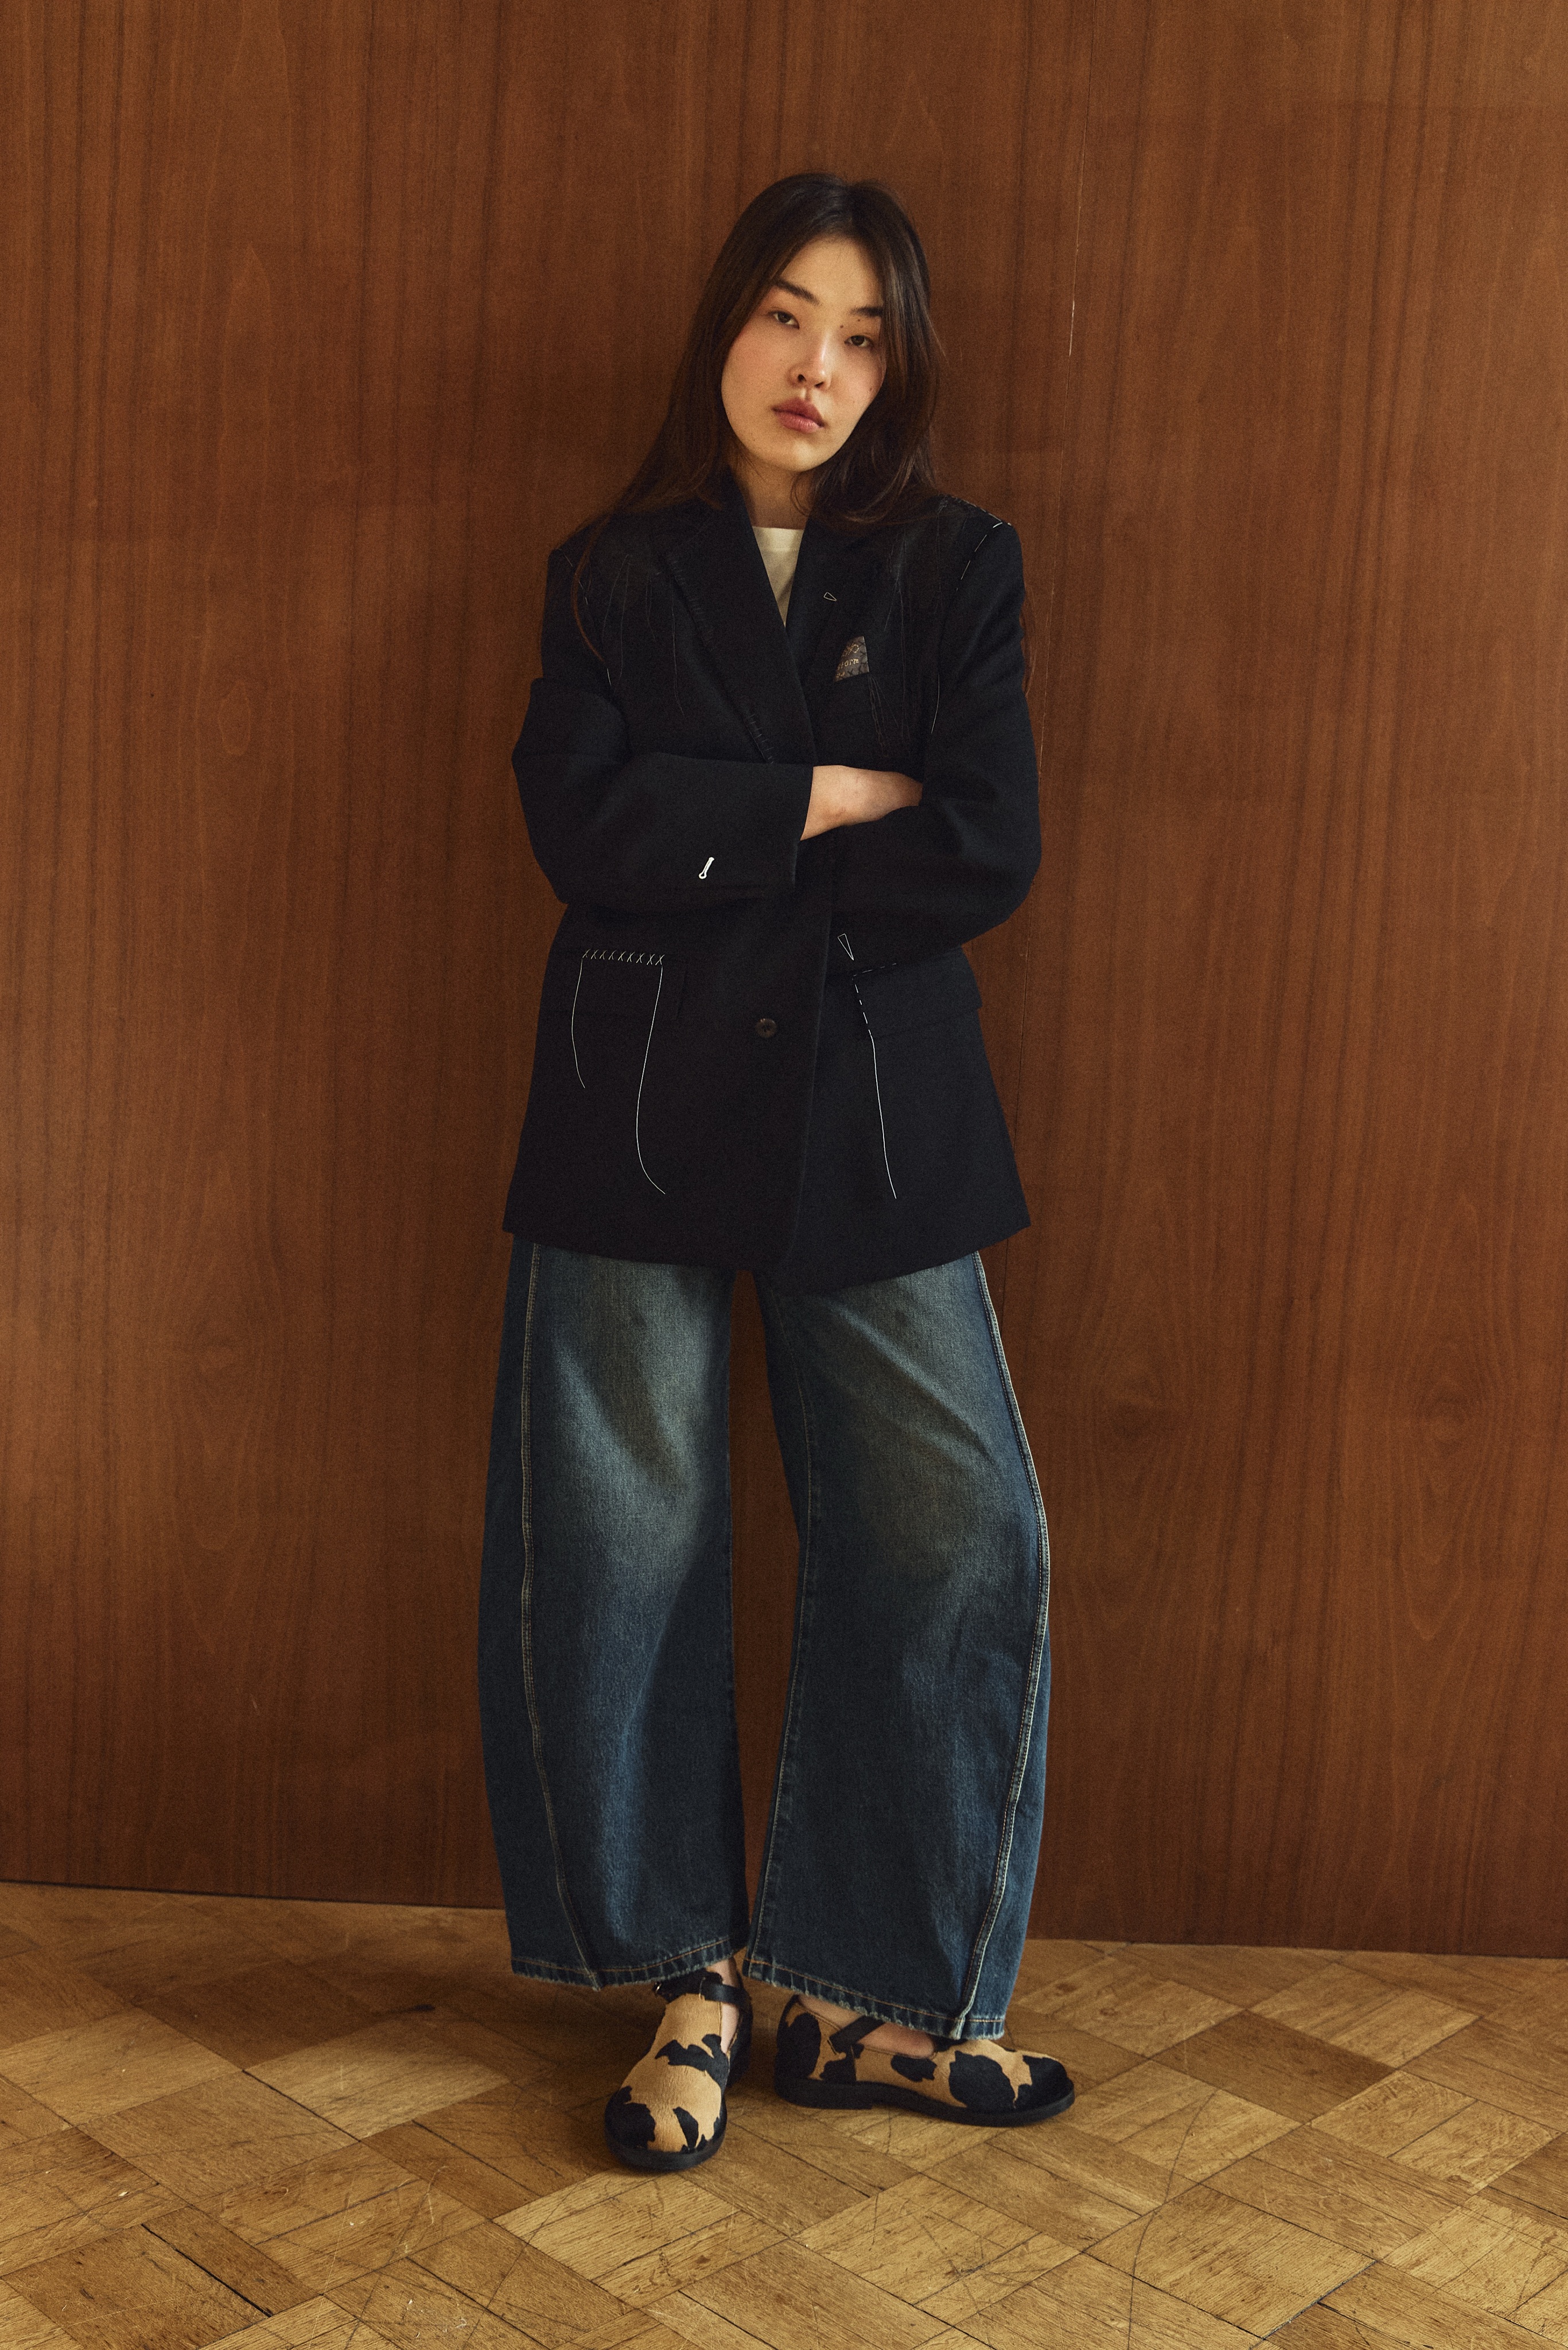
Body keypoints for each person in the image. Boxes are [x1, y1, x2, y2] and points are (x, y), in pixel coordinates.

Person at [479, 172, 1072, 2174]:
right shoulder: (612, 573)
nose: (817, 368)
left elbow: (986, 843)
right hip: (632, 1109)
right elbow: (576, 827)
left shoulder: (956, 566)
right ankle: (689, 1981)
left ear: (900, 368)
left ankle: (873, 1994)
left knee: (957, 1526)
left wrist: (708, 833)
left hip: (877, 1105)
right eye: (785, 316)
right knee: (621, 1537)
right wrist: (819, 795)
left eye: (864, 335)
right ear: (723, 324)